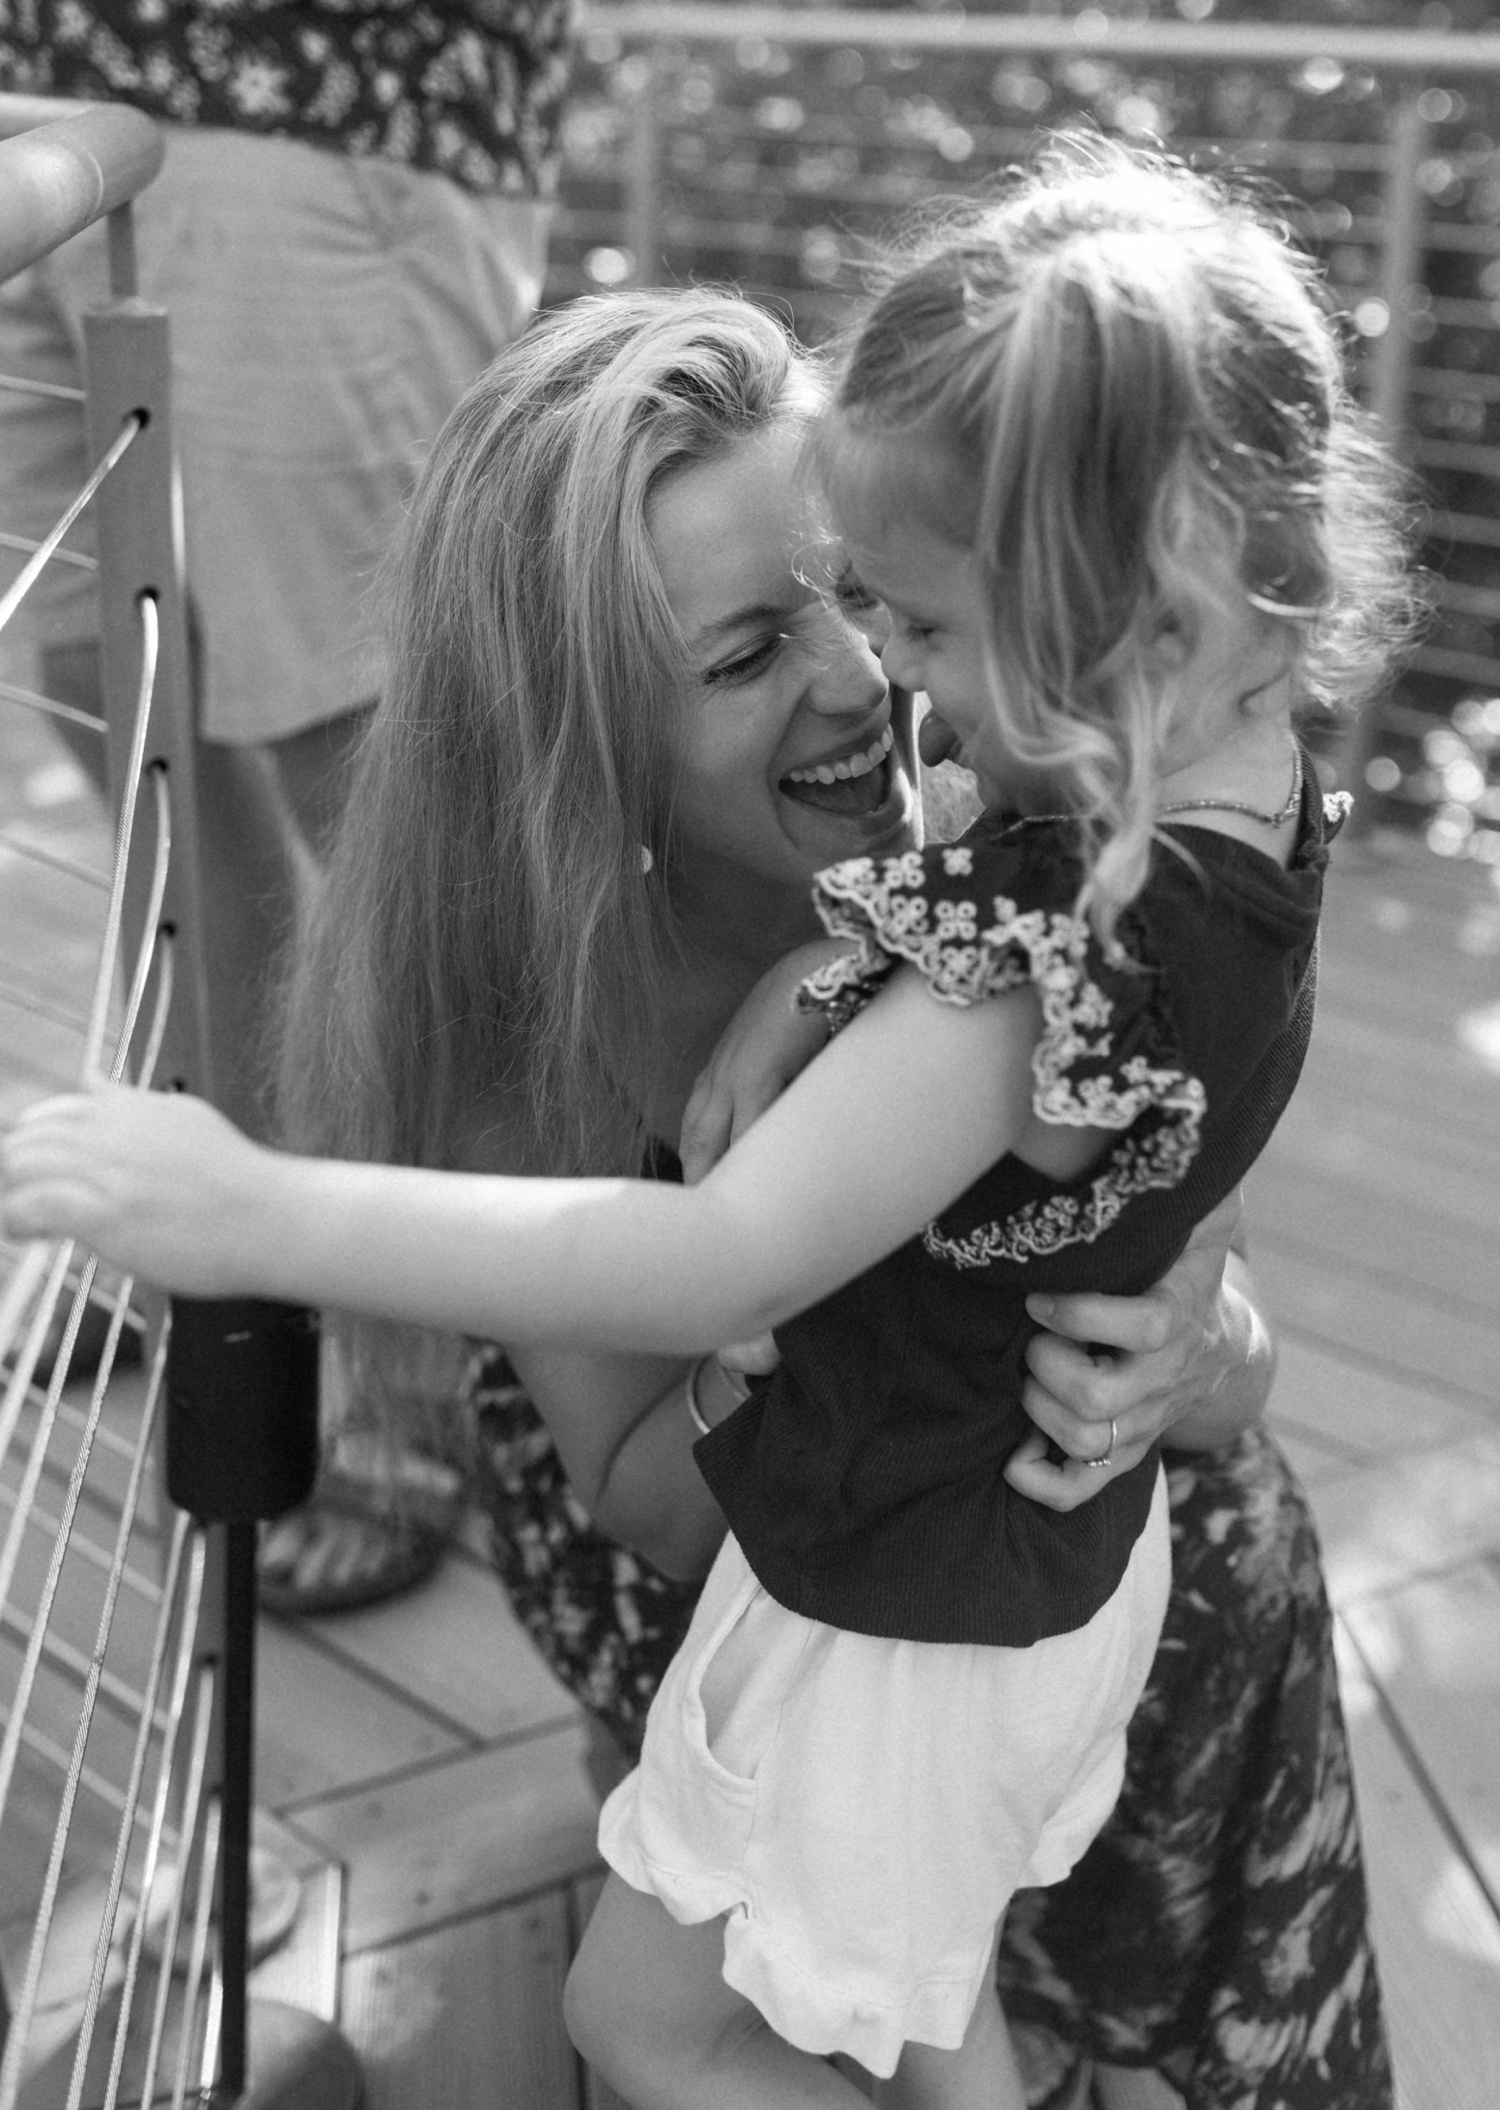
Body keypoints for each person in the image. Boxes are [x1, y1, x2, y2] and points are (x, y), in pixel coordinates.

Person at [0, 145, 1409, 2110]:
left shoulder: (1024, 797)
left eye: (865, 594)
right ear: (581, 736)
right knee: (783, 1999)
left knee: (1230, 1530)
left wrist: (1201, 1347)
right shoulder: (532, 1026)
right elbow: (657, 1492)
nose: (863, 677)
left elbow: (1160, 1185)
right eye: (751, 655)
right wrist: (857, 1292)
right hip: (779, 1566)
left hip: (993, 1571)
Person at [0, 0, 572, 1607]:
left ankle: (438, 1366)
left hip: (324, 110)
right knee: (132, 712)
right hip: (59, 104)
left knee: (382, 782)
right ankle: (220, 1250)